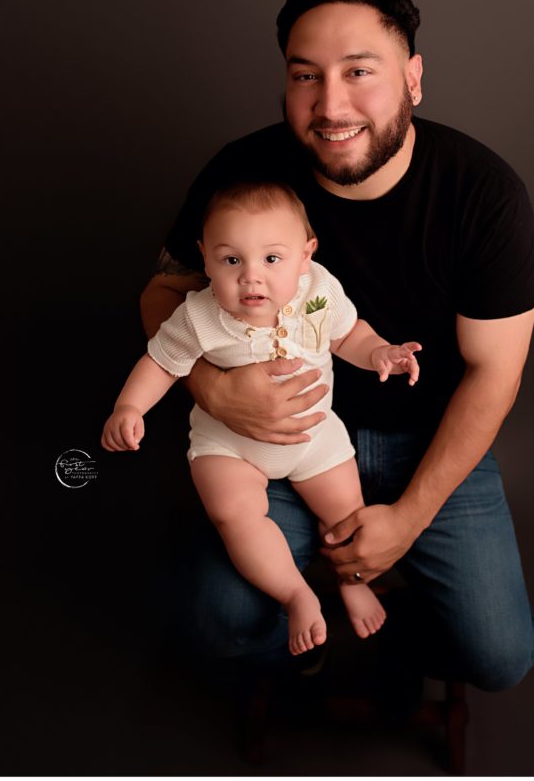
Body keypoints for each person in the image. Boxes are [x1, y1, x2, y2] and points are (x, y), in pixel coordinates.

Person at [140, 0, 534, 697]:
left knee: (499, 655)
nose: (330, 105)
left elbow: (496, 374)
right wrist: (216, 390)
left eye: (360, 71)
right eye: (305, 76)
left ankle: (384, 635)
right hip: (271, 444)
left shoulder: (484, 194)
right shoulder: (243, 172)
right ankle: (308, 623)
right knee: (220, 621)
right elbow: (164, 294)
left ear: (413, 77)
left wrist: (410, 518)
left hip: (429, 439)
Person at [102, 181, 421, 656]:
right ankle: (296, 593)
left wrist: (380, 352)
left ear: (305, 255)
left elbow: (346, 333)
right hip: (231, 446)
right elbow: (162, 362)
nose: (251, 278)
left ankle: (351, 577)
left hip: (313, 433)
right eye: (231, 260)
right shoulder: (200, 315)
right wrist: (129, 407)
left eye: (272, 259)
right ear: (205, 257)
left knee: (345, 508)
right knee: (233, 514)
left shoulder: (317, 293)